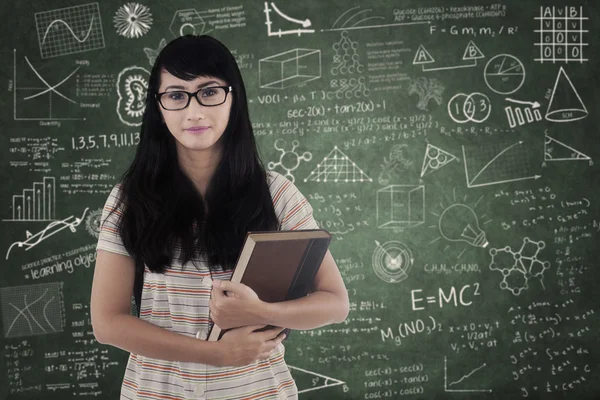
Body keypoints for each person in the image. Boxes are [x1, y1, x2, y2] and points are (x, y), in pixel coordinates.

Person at [90, 34, 349, 400]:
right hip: (156, 392)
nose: (194, 112)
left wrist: (259, 310)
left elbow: (335, 303)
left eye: (209, 92)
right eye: (177, 95)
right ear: (159, 108)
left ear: (233, 98)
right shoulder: (129, 200)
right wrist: (216, 354)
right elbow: (107, 324)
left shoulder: (275, 194)